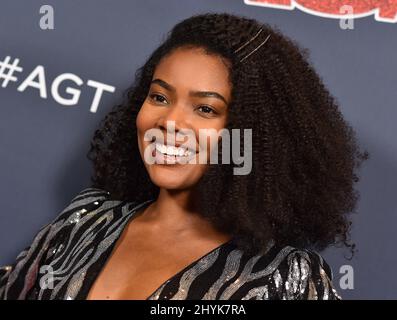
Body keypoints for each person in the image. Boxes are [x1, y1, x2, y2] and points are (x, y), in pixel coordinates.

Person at [0, 12, 368, 300]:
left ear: (250, 134)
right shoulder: (84, 221)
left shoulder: (282, 278)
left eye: (205, 109)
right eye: (159, 97)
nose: (170, 122)